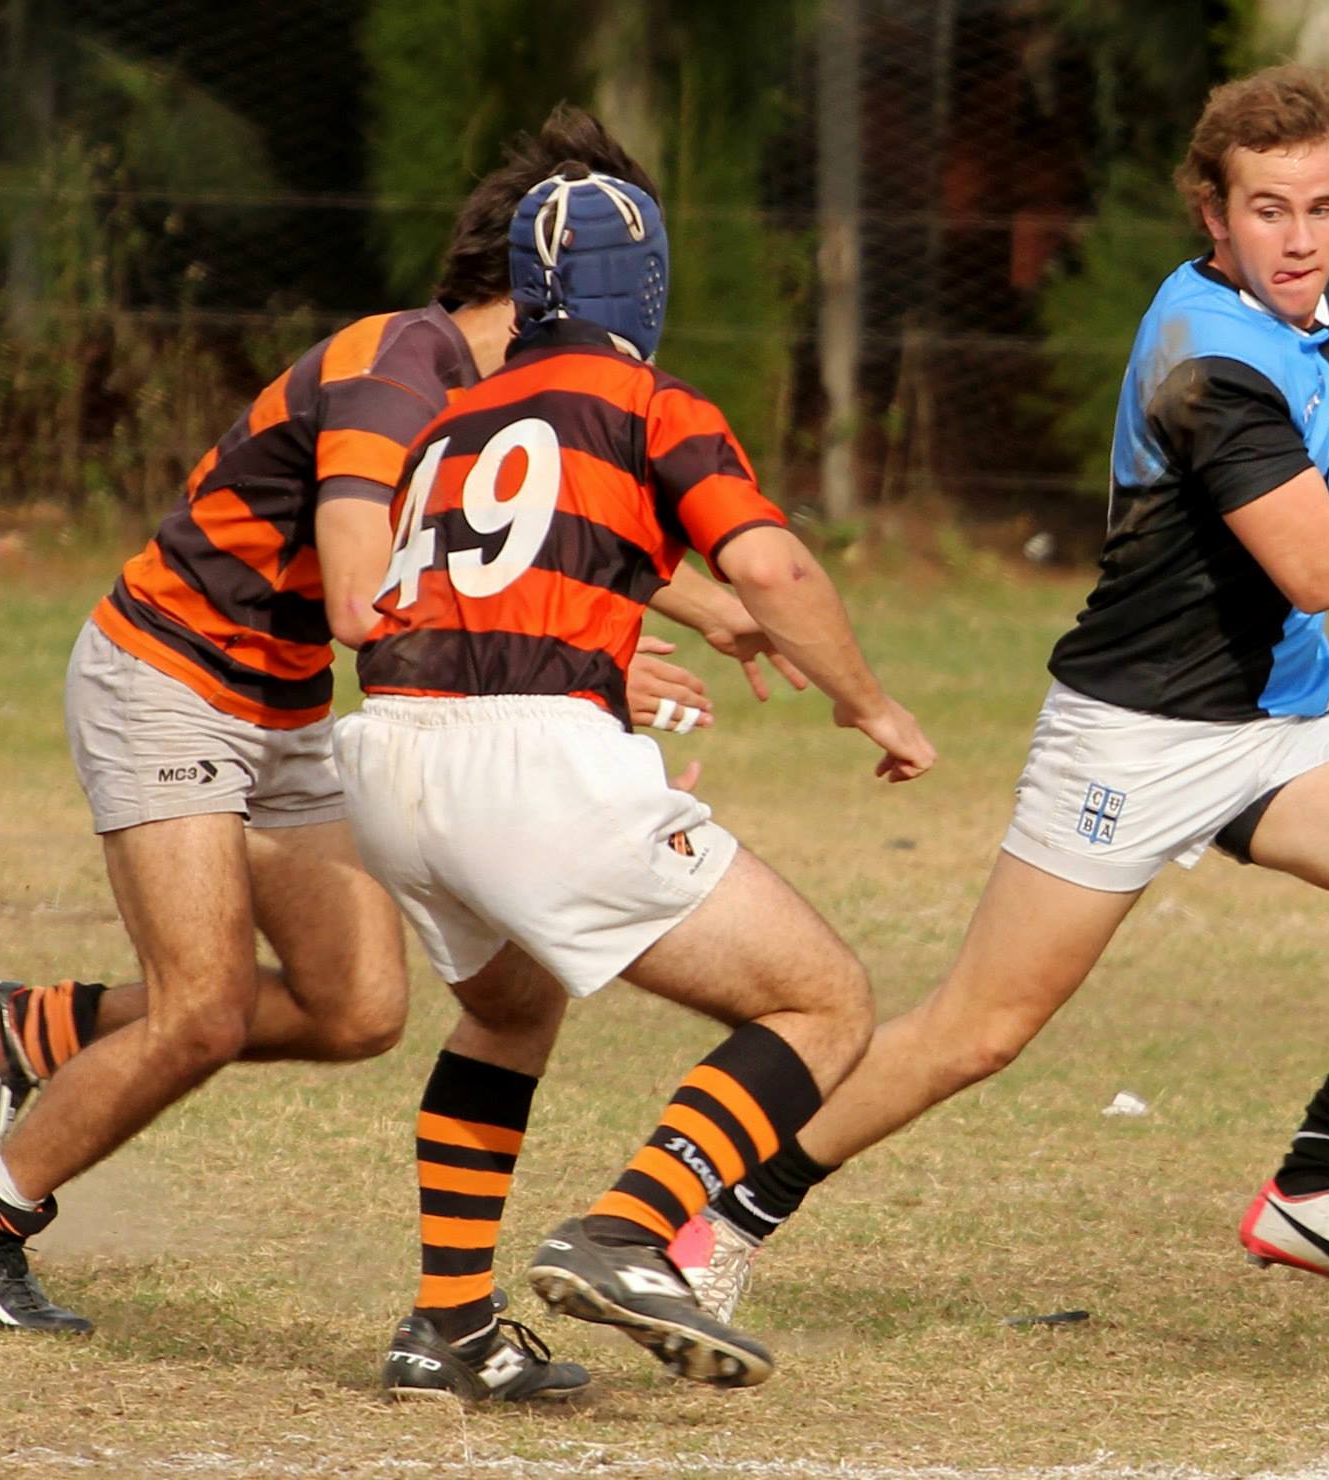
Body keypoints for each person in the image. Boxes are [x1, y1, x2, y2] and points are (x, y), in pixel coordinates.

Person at [671, 63, 1329, 1321]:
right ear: (1210, 210)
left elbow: (1325, 432)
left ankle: (1316, 1190)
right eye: (1266, 211)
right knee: (979, 1029)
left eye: (1323, 206)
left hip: (1277, 715)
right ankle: (718, 1224)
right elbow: (1317, 562)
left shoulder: (1322, 304)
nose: (1300, 241)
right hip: (1134, 732)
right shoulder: (1205, 364)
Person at [0, 110, 788, 1383]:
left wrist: (710, 607)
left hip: (286, 711)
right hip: (168, 679)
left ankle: (37, 1026)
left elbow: (516, 541)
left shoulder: (501, 398)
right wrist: (563, 659)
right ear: (536, 272)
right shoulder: (398, 362)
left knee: (356, 1005)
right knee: (203, 1010)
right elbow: (359, 591)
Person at [338, 161, 934, 1397]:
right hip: (527, 764)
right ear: (645, 287)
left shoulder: (456, 417)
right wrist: (868, 702)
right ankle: (627, 1228)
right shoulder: (650, 402)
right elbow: (773, 568)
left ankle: (447, 1325)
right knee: (820, 1003)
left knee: (507, 1009)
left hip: (388, 755)